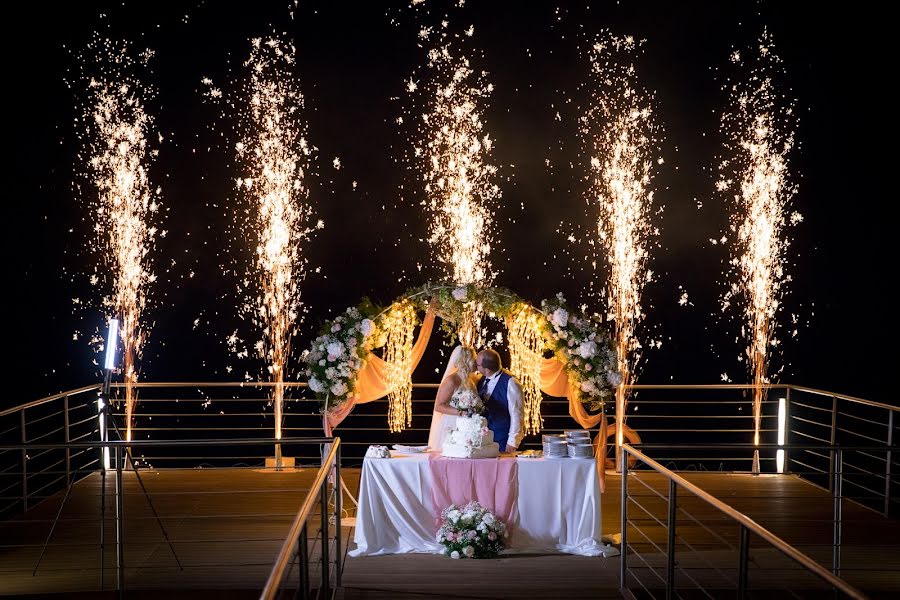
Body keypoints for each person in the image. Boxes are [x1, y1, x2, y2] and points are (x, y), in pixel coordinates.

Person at [427, 345, 479, 450]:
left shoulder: (473, 378)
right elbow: (439, 406)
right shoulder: (451, 380)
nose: (477, 362)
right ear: (466, 361)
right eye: (474, 359)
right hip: (453, 423)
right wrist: (461, 412)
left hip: (470, 424)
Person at [476, 348, 524, 454]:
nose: (476, 366)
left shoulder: (511, 383)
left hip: (502, 439)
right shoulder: (481, 380)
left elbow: (517, 414)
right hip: (483, 440)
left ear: (487, 369)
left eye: (478, 365)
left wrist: (512, 442)